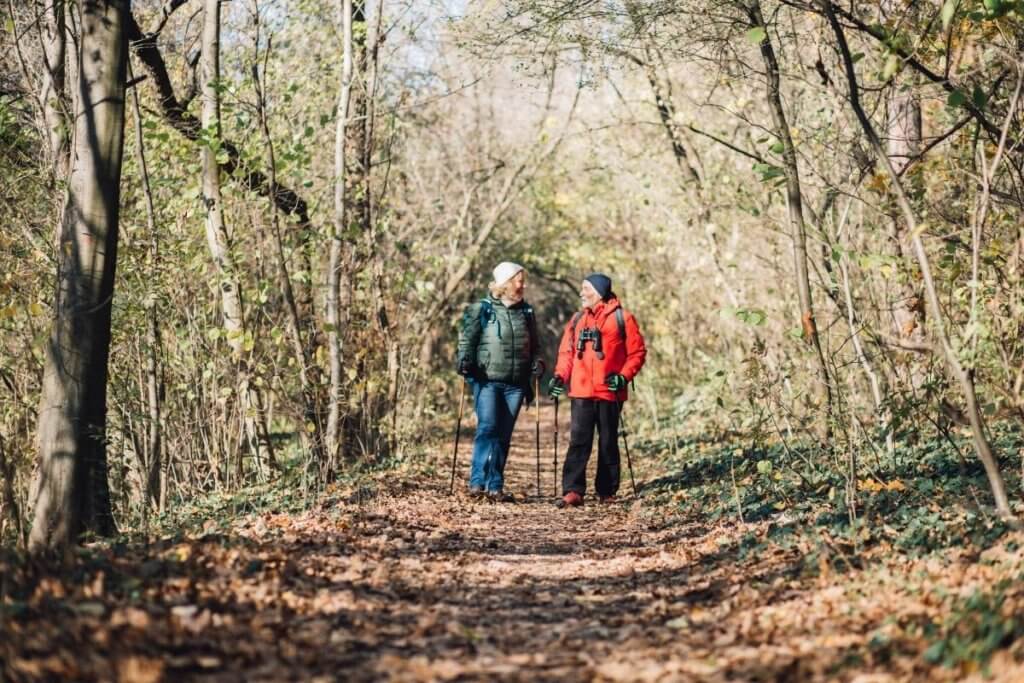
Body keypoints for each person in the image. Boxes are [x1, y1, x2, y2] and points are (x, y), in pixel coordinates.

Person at [548, 273, 646, 507]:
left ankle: (607, 491)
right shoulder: (577, 319)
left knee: (608, 441)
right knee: (579, 441)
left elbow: (637, 353)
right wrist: (560, 376)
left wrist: (623, 377)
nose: (581, 293)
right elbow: (567, 353)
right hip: (581, 391)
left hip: (610, 391)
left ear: (599, 292)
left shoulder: (623, 318)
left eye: (586, 289)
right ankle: (573, 491)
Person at [456, 261, 544, 502]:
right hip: (487, 381)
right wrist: (464, 361)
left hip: (516, 384)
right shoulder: (481, 309)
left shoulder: (526, 312)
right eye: (519, 280)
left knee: (504, 433)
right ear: (505, 283)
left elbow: (536, 347)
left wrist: (538, 363)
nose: (522, 284)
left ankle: (495, 484)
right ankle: (477, 481)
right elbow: (467, 341)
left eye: (522, 280)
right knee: (487, 427)